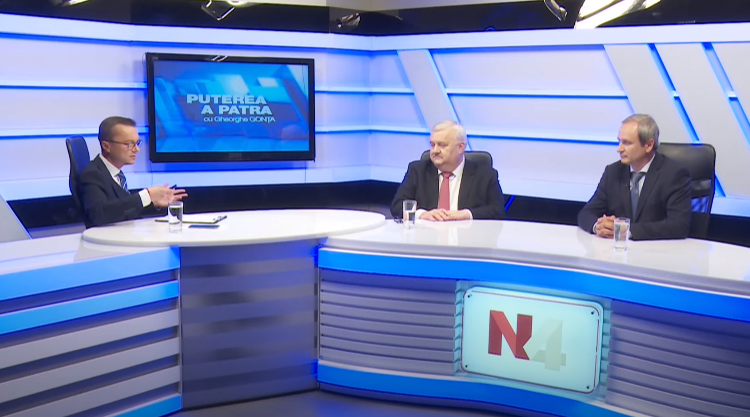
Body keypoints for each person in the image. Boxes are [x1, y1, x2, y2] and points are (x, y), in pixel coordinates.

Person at [577, 114, 691, 241]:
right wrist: (598, 226)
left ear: (648, 145)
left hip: (657, 250)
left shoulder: (674, 174)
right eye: (619, 141)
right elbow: (586, 213)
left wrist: (627, 230)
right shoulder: (613, 172)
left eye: (627, 143)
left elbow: (679, 225)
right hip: (617, 250)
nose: (619, 149)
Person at [79, 116, 187, 228]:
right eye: (129, 144)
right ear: (106, 146)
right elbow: (100, 214)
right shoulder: (93, 174)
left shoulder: (116, 174)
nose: (136, 149)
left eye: (137, 143)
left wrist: (153, 203)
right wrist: (146, 195)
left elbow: (122, 210)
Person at [390, 121, 506, 221]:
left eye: (442, 145)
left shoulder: (485, 175)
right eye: (432, 145)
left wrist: (466, 214)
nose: (435, 151)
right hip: (427, 236)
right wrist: (422, 214)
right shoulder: (417, 171)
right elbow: (397, 206)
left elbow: (498, 211)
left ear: (460, 147)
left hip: (468, 237)